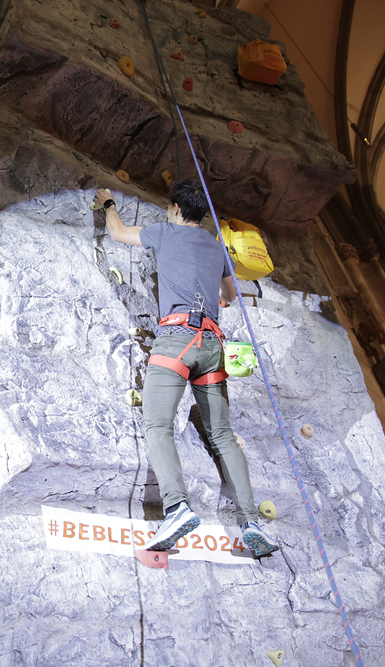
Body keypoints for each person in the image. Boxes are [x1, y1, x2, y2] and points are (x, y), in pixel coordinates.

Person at [94, 182, 279, 557]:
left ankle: (177, 508)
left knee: (157, 425)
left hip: (177, 340)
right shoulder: (216, 247)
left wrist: (108, 203)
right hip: (212, 346)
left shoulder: (165, 231)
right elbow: (230, 296)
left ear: (175, 208)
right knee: (222, 435)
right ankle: (250, 523)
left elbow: (117, 232)